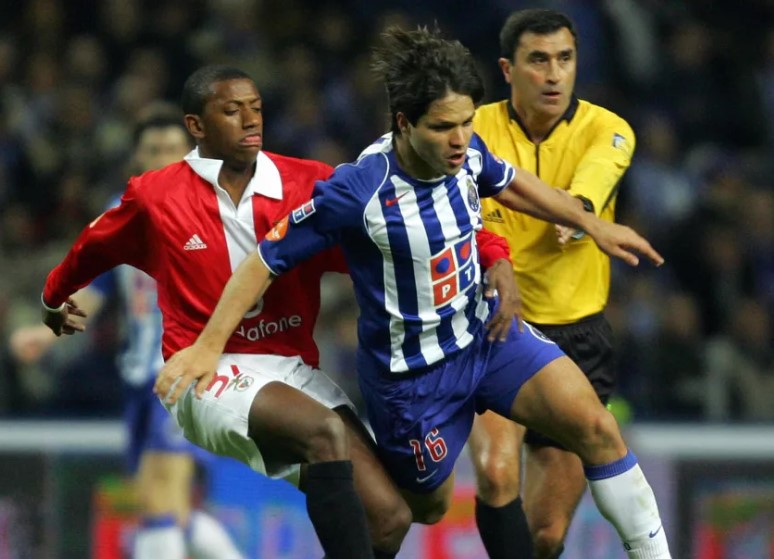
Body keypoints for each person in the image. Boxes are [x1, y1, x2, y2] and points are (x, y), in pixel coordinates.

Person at [156, 27, 673, 559]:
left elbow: (511, 182)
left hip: (487, 336)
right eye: (443, 127)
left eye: (468, 123)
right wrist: (209, 346)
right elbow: (265, 258)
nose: (460, 139)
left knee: (597, 427)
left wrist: (590, 223)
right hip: (413, 381)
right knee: (418, 509)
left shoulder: (467, 151)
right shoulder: (358, 191)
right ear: (403, 123)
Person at [39, 65, 414, 559]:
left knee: (389, 518)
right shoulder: (155, 196)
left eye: (255, 108)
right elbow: (90, 248)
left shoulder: (308, 181)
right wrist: (52, 299)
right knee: (320, 434)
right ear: (197, 125)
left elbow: (368, 249)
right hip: (205, 370)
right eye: (232, 111)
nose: (250, 120)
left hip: (292, 368)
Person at [11, 105, 246, 559]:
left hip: (188, 374)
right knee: (165, 506)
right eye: (152, 150)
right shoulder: (117, 214)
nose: (162, 158)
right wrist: (49, 331)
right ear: (136, 160)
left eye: (172, 150)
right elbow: (99, 289)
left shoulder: (215, 212)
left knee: (160, 498)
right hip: (140, 376)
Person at [467, 9, 639, 559]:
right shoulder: (470, 131)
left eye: (564, 59)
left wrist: (580, 211)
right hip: (498, 331)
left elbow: (595, 180)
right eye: (538, 60)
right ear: (508, 69)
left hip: (578, 339)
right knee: (495, 474)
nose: (554, 74)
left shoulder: (609, 128)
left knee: (546, 536)